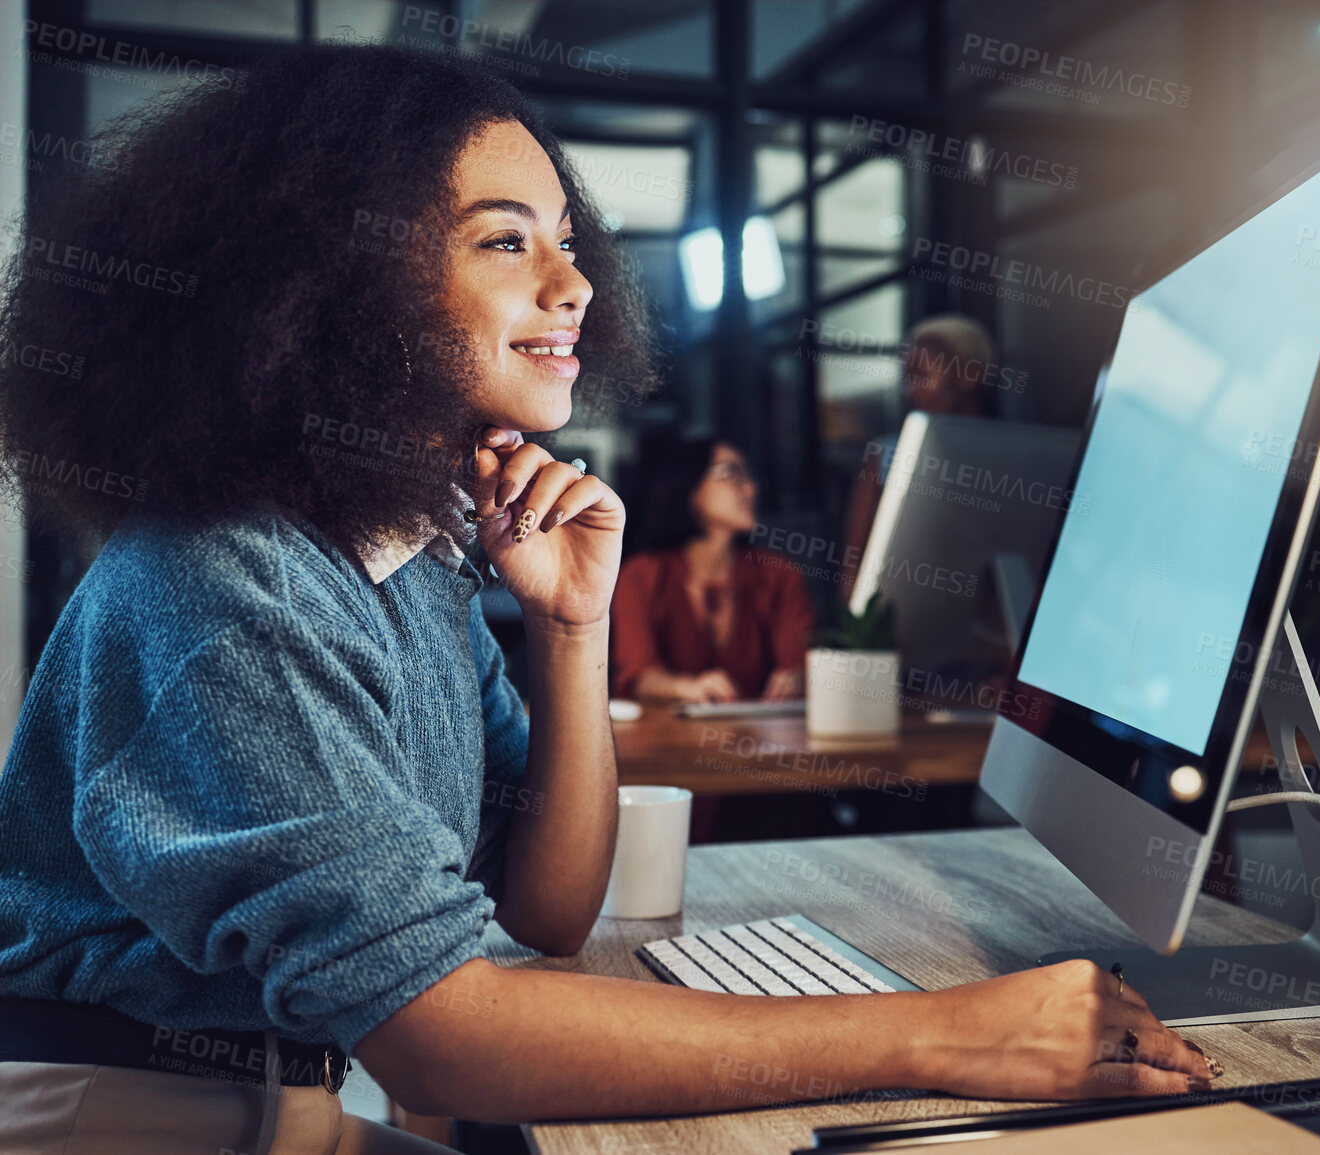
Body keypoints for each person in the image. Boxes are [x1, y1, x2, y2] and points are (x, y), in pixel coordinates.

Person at [0, 43, 1215, 1155]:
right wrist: (947, 1033)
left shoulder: (406, 560)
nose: (576, 283)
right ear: (334, 284)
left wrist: (573, 626)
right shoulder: (230, 589)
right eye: (505, 240)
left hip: (273, 1103)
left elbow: (552, 904)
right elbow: (444, 1036)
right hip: (114, 1115)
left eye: (569, 239)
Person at [610, 437, 812, 703]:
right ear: (688, 487)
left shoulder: (780, 576)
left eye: (749, 476)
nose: (750, 489)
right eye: (730, 473)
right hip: (665, 739)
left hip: (759, 738)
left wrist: (799, 677)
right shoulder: (641, 576)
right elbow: (635, 674)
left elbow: (797, 663)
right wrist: (684, 688)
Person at [841, 315, 999, 597]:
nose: (909, 391)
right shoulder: (885, 456)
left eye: (921, 376)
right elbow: (854, 563)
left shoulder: (1012, 458)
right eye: (907, 378)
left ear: (969, 375)